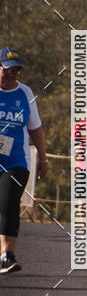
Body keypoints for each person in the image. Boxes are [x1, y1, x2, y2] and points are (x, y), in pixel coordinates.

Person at [0, 47, 48, 274]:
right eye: (7, 71)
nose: (10, 76)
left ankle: (7, 255)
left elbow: (35, 128)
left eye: (15, 72)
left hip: (16, 161)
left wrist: (44, 158)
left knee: (9, 203)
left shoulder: (25, 94)